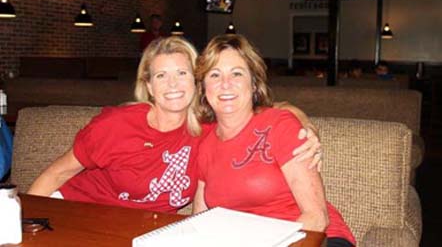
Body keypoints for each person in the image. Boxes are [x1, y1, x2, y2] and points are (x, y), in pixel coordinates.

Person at [28, 36, 321, 214]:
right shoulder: (115, 125)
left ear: (197, 82)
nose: (172, 85)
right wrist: (21, 223)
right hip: (72, 211)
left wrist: (304, 120)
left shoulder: (209, 128)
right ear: (149, 86)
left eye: (182, 73)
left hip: (136, 230)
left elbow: (264, 111)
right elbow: (56, 174)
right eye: (160, 76)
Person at [193, 34, 355, 246]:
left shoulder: (280, 125)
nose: (226, 84)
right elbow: (199, 219)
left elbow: (316, 217)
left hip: (315, 238)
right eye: (215, 75)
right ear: (204, 88)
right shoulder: (205, 142)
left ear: (253, 84)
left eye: (237, 73)